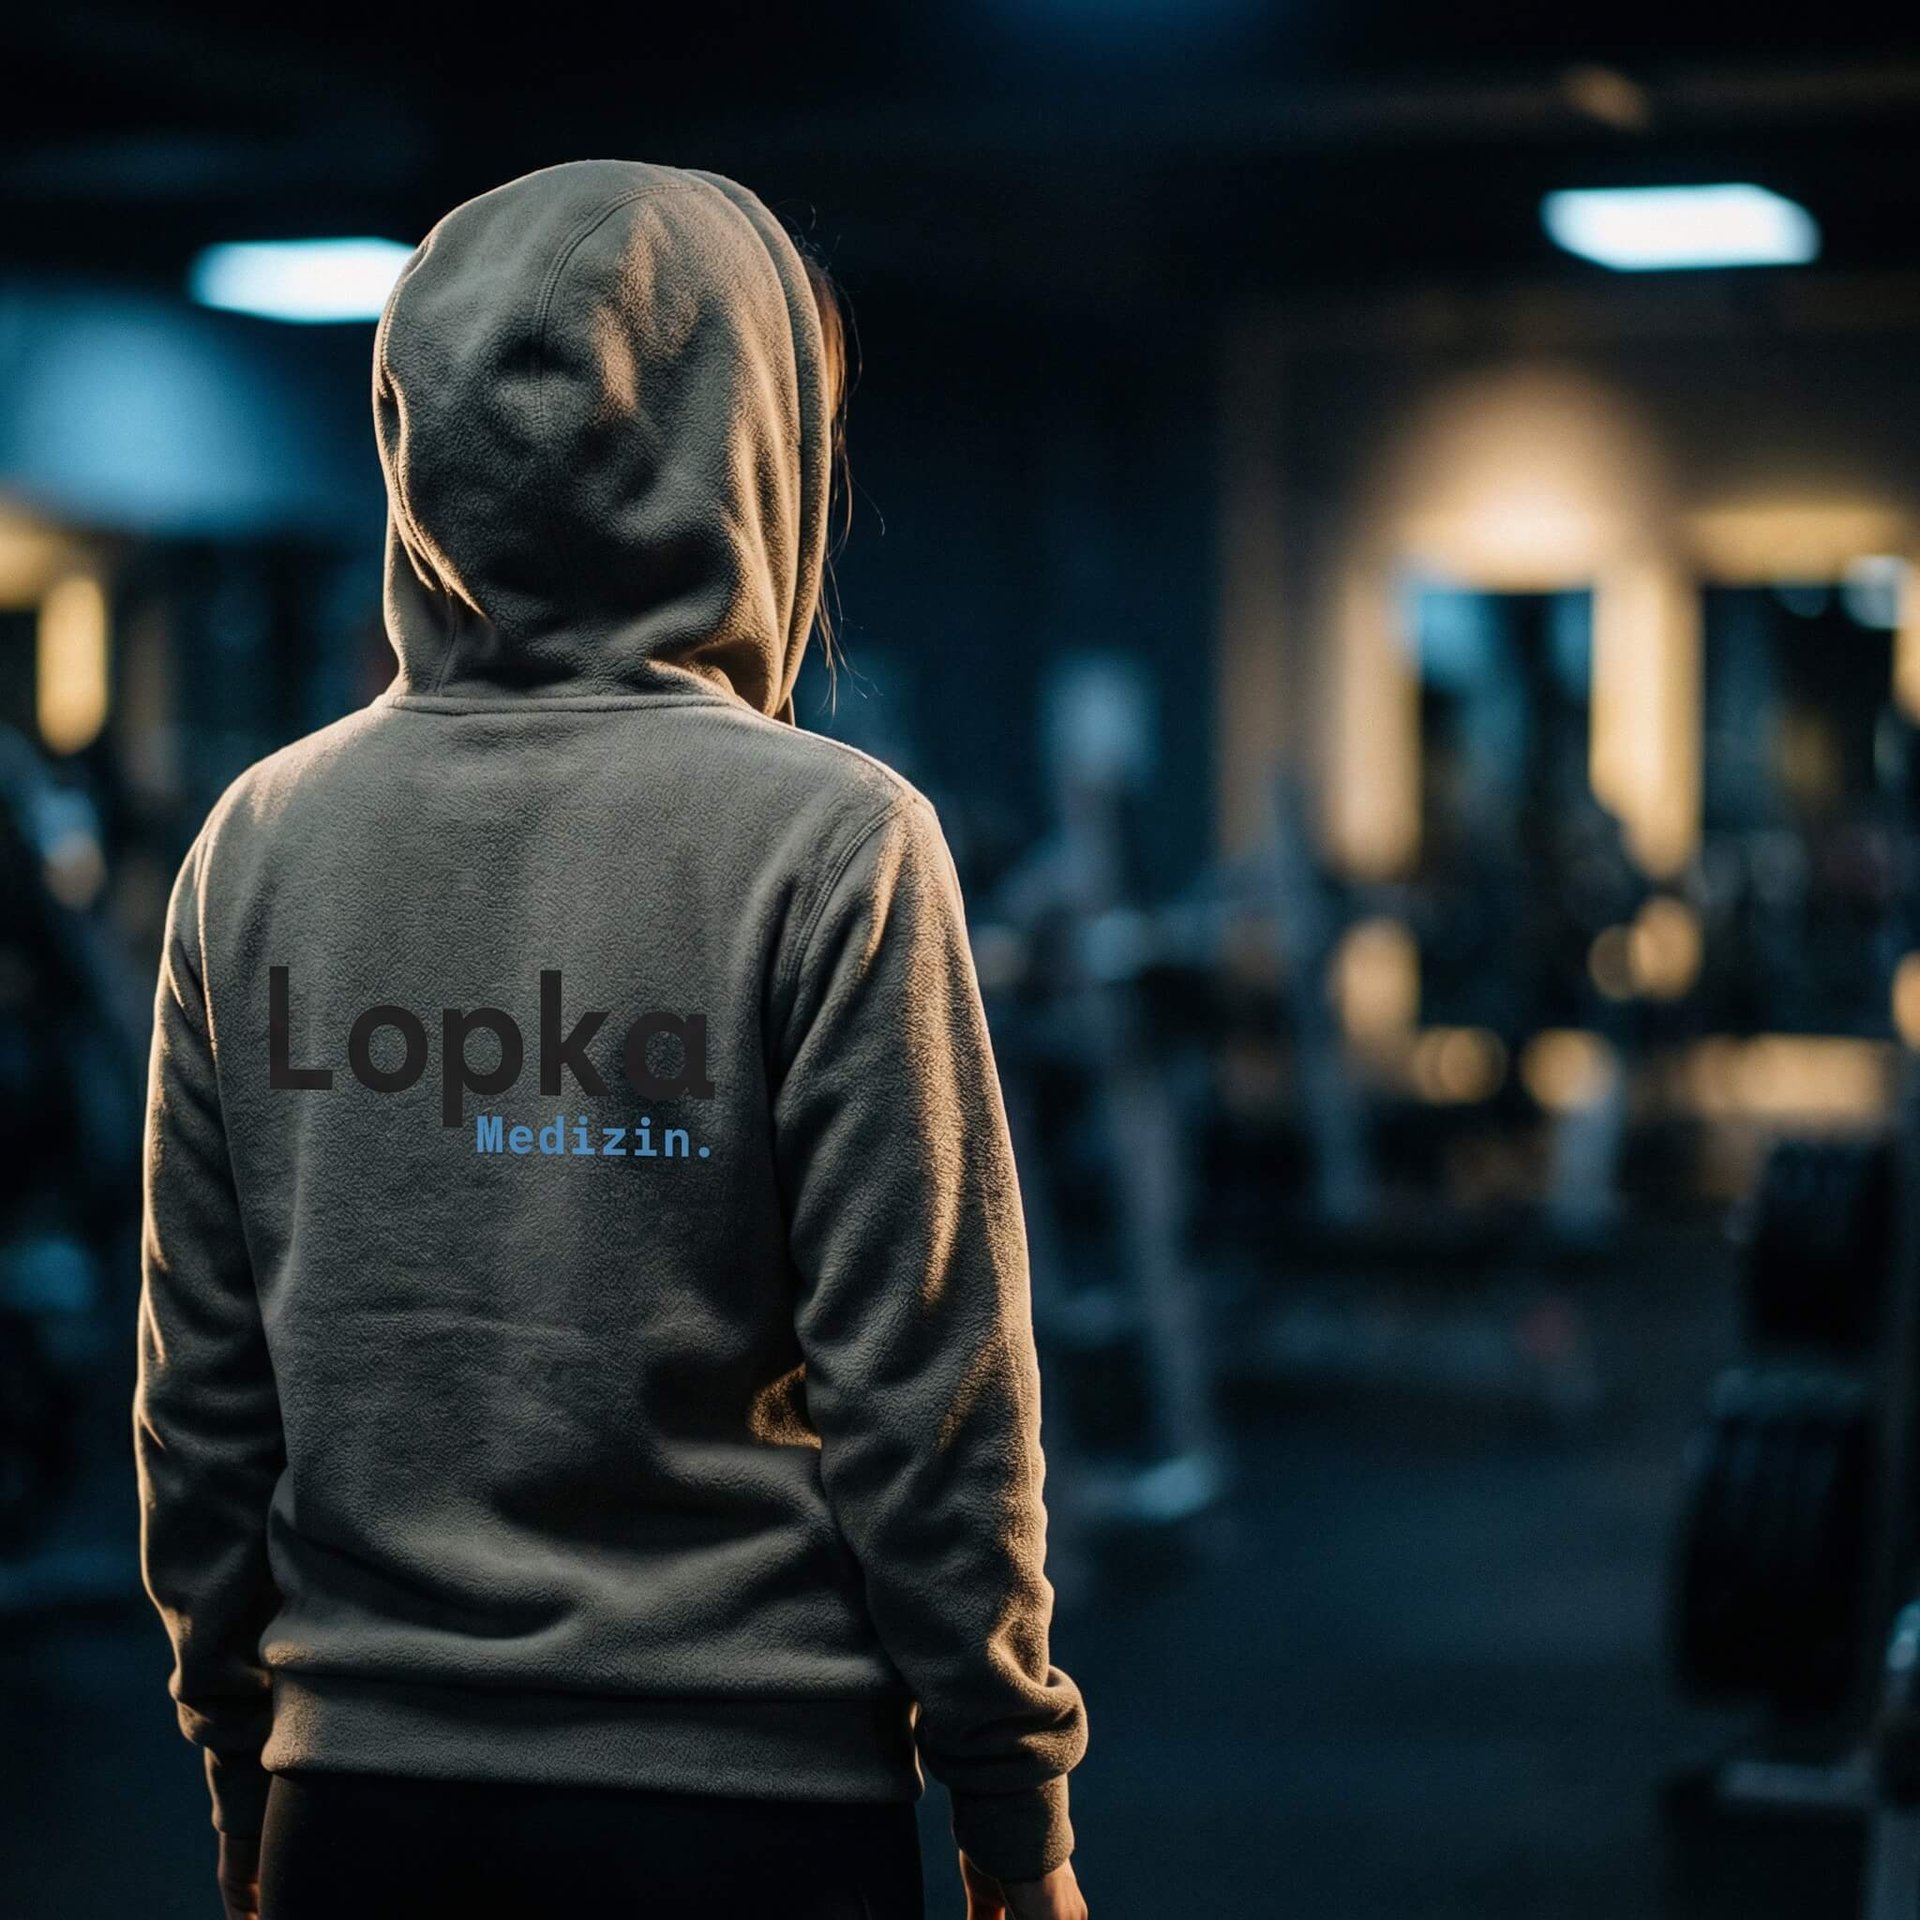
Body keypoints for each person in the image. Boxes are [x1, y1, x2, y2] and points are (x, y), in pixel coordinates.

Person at [135, 159, 1089, 1920]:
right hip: (749, 1812)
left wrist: (233, 1746)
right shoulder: (838, 839)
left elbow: (204, 1406)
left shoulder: (256, 843)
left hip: (362, 1803)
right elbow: (932, 1400)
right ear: (750, 435)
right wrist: (1011, 1805)